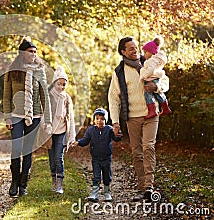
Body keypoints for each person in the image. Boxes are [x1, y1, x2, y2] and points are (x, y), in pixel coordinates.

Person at [108, 36, 169, 201]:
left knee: (148, 147)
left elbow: (165, 81)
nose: (135, 51)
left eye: (136, 47)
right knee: (137, 153)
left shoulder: (150, 62)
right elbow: (113, 98)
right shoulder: (119, 72)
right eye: (131, 49)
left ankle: (149, 187)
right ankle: (143, 188)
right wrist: (115, 122)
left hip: (151, 114)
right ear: (123, 52)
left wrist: (157, 87)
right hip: (132, 117)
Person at [3, 36, 52, 197]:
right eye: (30, 51)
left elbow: (44, 95)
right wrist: (7, 117)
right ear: (22, 53)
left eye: (35, 52)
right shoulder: (13, 70)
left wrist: (48, 119)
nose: (33, 54)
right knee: (16, 149)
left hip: (35, 115)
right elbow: (6, 95)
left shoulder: (39, 70)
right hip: (16, 114)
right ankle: (14, 181)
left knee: (27, 151)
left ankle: (23, 184)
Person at [70, 108, 122, 202]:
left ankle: (107, 192)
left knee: (107, 175)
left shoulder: (109, 129)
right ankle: (94, 193)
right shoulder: (91, 130)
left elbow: (116, 138)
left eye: (102, 119)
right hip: (96, 158)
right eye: (97, 118)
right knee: (96, 175)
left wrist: (118, 133)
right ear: (94, 120)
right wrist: (78, 142)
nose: (99, 121)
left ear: (105, 120)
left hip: (106, 157)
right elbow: (85, 140)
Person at [44, 65, 76, 194]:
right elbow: (44, 112)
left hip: (62, 131)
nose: (61, 87)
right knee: (52, 158)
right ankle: (53, 180)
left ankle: (60, 184)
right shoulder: (49, 96)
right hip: (50, 131)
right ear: (54, 83)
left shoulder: (66, 98)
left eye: (64, 84)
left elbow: (71, 117)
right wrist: (45, 125)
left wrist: (72, 136)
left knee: (58, 157)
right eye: (59, 84)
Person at [140, 35, 172, 118]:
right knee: (158, 94)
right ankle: (165, 108)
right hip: (155, 78)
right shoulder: (156, 60)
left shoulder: (151, 61)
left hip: (151, 78)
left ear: (152, 52)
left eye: (145, 52)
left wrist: (144, 76)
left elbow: (150, 69)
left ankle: (152, 110)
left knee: (148, 95)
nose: (144, 55)